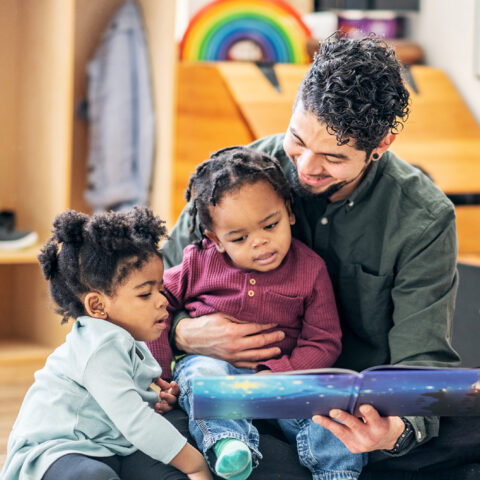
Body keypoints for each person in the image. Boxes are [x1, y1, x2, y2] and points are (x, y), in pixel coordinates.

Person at [159, 34, 480, 479]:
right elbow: (151, 288)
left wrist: (393, 432)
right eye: (297, 139)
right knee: (158, 433)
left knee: (460, 426)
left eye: (333, 156)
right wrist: (186, 334)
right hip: (224, 390)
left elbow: (421, 359)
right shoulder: (243, 175)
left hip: (346, 413)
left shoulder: (423, 217)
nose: (306, 167)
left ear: (381, 145)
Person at [149, 146, 366, 480]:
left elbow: (324, 341)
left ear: (289, 212)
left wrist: (283, 373)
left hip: (283, 380)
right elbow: (155, 307)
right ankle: (229, 445)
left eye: (270, 225)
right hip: (214, 368)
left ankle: (339, 474)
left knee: (328, 408)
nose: (260, 243)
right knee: (204, 376)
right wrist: (160, 375)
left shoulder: (310, 269)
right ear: (216, 240)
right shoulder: (197, 262)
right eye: (239, 237)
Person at [0, 207, 212, 480]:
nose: (162, 301)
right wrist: (194, 465)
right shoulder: (101, 344)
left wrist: (156, 398)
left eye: (160, 289)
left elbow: (126, 405)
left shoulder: (127, 340)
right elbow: (134, 421)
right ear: (98, 305)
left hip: (110, 445)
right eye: (145, 293)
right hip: (57, 451)